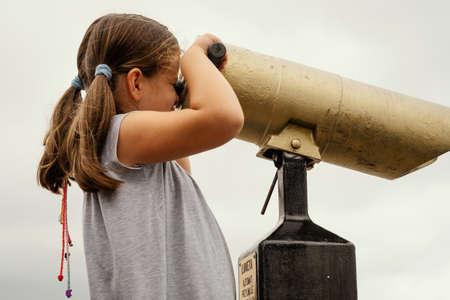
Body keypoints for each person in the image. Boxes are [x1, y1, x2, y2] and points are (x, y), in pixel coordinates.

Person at [37, 13, 244, 300]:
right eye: (175, 84)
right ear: (136, 84)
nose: (178, 97)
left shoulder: (133, 150)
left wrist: (184, 88)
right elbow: (225, 118)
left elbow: (187, 146)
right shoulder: (122, 134)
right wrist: (194, 57)